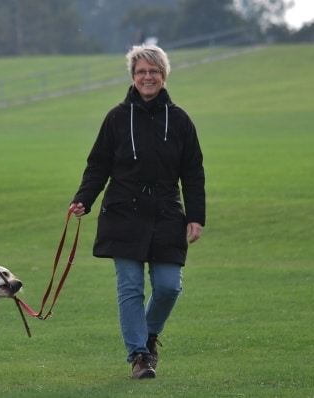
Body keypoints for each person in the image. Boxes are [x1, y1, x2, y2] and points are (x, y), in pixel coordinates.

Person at [70, 44, 206, 380]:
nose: (148, 77)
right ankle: (140, 356)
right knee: (130, 287)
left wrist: (195, 215)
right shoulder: (116, 118)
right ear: (133, 76)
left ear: (163, 76)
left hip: (166, 212)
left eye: (154, 71)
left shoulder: (180, 120)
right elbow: (97, 165)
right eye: (141, 71)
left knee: (169, 286)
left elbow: (192, 172)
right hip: (123, 212)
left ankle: (148, 335)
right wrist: (84, 199)